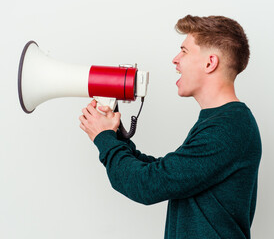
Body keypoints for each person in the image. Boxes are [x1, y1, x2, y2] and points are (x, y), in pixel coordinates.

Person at [79, 15, 262, 239]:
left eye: (184, 51)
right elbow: (167, 172)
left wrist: (104, 138)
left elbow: (146, 184)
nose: (175, 60)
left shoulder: (227, 128)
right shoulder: (222, 122)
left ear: (210, 63)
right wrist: (115, 136)